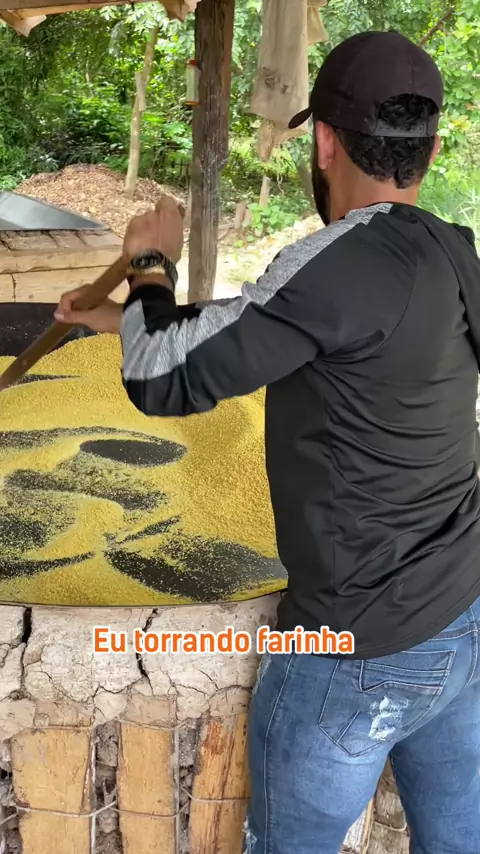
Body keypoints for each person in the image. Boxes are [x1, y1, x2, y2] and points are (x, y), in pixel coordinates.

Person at [55, 30, 480, 854]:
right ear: (429, 148)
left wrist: (150, 262)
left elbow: (160, 381)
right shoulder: (450, 251)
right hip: (461, 623)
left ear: (324, 143)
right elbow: (284, 327)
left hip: (352, 652)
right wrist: (123, 320)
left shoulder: (334, 262)